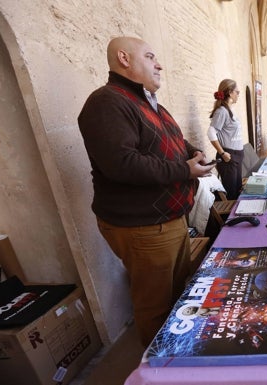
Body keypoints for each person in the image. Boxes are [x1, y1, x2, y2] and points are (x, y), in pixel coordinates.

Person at [78, 36, 215, 347]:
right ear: (124, 59)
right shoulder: (107, 102)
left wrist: (194, 154)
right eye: (150, 56)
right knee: (155, 306)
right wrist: (185, 170)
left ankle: (178, 355)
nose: (159, 64)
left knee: (180, 294)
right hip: (143, 226)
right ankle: (159, 370)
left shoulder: (148, 102)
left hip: (170, 219)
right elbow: (123, 165)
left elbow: (174, 144)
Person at [208, 79, 244, 200]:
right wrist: (222, 153)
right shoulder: (222, 111)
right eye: (237, 92)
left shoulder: (229, 110)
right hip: (228, 156)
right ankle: (228, 219)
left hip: (236, 156)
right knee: (231, 193)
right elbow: (211, 132)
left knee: (237, 190)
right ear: (230, 92)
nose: (238, 94)